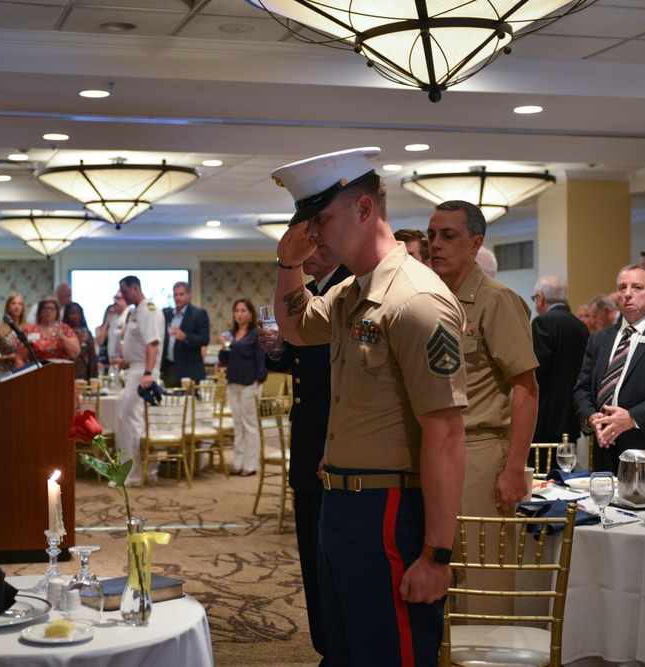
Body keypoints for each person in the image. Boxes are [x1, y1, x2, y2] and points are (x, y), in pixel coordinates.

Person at [271, 147, 467, 665]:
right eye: (305, 224)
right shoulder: (350, 293)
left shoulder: (415, 300)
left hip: (389, 510)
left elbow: (446, 433)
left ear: (363, 210)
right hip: (340, 501)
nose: (311, 235)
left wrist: (436, 556)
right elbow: (294, 327)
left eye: (320, 221)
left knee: (389, 654)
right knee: (343, 651)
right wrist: (287, 264)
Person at [428, 199, 538, 619]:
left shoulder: (496, 300)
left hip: (478, 454)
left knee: (481, 582)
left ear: (476, 244)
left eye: (448, 236)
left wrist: (513, 469)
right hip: (433, 454)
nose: (436, 245)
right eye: (432, 236)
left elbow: (526, 388)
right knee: (439, 577)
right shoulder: (429, 300)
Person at [258, 254, 350, 665]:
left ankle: (337, 646)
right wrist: (279, 348)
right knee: (312, 553)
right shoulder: (311, 293)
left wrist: (339, 443)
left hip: (336, 445)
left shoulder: (351, 287)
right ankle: (327, 644)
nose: (305, 253)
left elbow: (347, 378)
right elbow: (302, 361)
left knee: (334, 555)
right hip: (310, 440)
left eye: (312, 241)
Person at [573, 264, 645, 473]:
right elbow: (581, 388)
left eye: (637, 287)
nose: (628, 294)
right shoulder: (599, 339)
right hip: (606, 449)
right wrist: (591, 417)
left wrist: (632, 418)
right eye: (622, 288)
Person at [117, 275, 166, 485]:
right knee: (130, 420)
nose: (122, 295)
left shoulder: (149, 310)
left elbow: (152, 344)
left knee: (130, 420)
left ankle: (134, 473)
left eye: (125, 291)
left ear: (135, 287)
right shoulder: (136, 311)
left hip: (142, 372)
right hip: (134, 369)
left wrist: (148, 372)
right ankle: (140, 470)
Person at [531, 276, 589, 444]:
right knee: (567, 467)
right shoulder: (580, 325)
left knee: (542, 467)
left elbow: (536, 368)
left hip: (546, 414)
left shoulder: (543, 322)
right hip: (572, 413)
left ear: (541, 298)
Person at [217, 298, 267, 477]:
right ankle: (238, 463)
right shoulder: (230, 334)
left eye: (243, 310)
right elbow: (224, 360)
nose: (239, 314)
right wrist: (223, 348)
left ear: (250, 314)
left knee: (250, 425)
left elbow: (261, 358)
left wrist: (259, 379)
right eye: (236, 310)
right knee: (237, 424)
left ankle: (251, 464)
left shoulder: (255, 333)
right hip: (233, 382)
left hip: (250, 383)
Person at [161, 281, 211, 387]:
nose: (178, 298)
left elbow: (204, 339)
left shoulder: (198, 314)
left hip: (190, 369)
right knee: (170, 401)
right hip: (170, 367)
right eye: (175, 295)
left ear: (188, 295)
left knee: (190, 402)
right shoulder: (167, 314)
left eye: (181, 294)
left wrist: (185, 336)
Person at [23, 297, 80, 362]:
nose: (48, 311)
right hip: (38, 369)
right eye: (45, 308)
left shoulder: (65, 329)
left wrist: (62, 337)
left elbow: (75, 353)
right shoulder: (30, 330)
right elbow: (21, 357)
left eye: (52, 309)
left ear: (57, 312)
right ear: (39, 311)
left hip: (61, 369)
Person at [0, 293, 30, 372]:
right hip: (5, 371)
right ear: (8, 306)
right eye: (13, 303)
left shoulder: (29, 327)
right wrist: (7, 358)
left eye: (20, 304)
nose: (16, 306)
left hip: (25, 370)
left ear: (23, 308)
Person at [64, 302, 98, 380]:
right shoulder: (64, 333)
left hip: (86, 372)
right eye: (72, 313)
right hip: (70, 371)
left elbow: (92, 355)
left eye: (78, 314)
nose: (75, 316)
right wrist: (77, 341)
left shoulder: (86, 332)